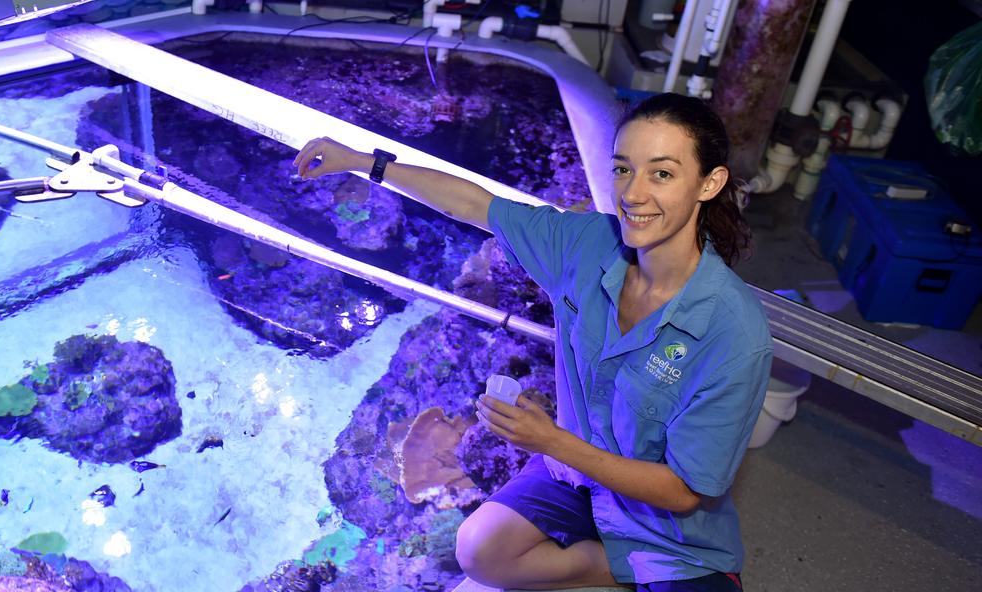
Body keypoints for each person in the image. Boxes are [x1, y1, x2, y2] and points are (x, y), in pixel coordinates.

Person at [292, 93, 773, 591]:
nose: (632, 194)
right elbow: (477, 205)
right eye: (624, 169)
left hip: (664, 524)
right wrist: (362, 162)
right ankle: (599, 565)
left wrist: (551, 441)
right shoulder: (587, 243)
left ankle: (634, 564)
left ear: (709, 184)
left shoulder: (734, 333)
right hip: (576, 478)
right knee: (478, 549)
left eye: (663, 174)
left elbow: (683, 491)